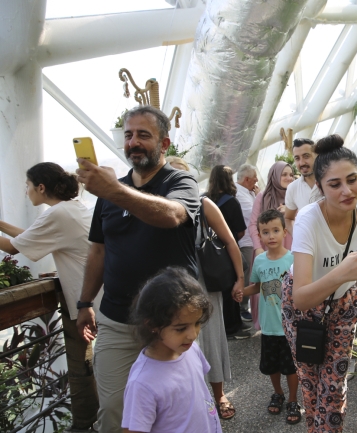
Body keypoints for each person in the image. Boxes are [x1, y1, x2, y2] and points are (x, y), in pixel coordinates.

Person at [75, 105, 201, 433]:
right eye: (129, 135)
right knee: (116, 412)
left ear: (164, 143)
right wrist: (85, 302)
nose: (134, 142)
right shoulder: (108, 193)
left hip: (171, 322)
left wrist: (114, 192)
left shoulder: (181, 181)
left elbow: (172, 215)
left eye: (144, 135)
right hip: (117, 321)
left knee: (176, 406)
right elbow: (99, 250)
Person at [282, 134, 357, 432]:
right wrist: (344, 272)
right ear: (321, 188)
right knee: (312, 385)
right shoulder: (308, 220)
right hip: (303, 311)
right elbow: (301, 297)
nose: (347, 191)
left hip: (343, 305)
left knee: (334, 387)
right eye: (334, 184)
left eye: (352, 179)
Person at [0, 162, 100, 433]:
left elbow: (12, 247)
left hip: (88, 302)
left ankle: (87, 424)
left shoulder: (56, 215)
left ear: (40, 187)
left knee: (85, 368)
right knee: (93, 366)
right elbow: (27, 239)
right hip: (101, 298)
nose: (26, 191)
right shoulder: (71, 208)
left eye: (28, 186)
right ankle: (93, 422)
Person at [173, 162, 244, 421]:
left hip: (203, 280)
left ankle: (219, 394)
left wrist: (239, 279)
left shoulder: (203, 204)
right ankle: (190, 399)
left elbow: (230, 242)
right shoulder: (155, 207)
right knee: (178, 342)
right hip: (172, 283)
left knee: (211, 336)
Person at [122, 267, 222, 433]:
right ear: (152, 325)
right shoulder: (142, 383)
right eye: (181, 328)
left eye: (197, 323)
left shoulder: (191, 350)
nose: (193, 335)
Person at [234, 209, 300, 425]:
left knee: (290, 366)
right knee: (272, 365)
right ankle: (278, 393)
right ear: (259, 235)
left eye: (275, 230)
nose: (271, 236)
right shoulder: (260, 260)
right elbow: (258, 286)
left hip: (290, 326)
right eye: (265, 232)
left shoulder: (294, 259)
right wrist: (243, 291)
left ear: (284, 231)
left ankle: (292, 399)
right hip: (269, 326)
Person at [205, 165, 250, 340]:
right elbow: (240, 231)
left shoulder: (205, 199)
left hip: (209, 253)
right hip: (228, 253)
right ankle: (232, 327)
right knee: (232, 286)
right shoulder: (231, 201)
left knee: (216, 290)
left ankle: (219, 326)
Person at [248, 161, 294, 330]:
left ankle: (287, 323)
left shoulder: (294, 195)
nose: (289, 178)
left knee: (287, 285)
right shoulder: (263, 196)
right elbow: (253, 224)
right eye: (284, 174)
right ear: (274, 175)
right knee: (267, 287)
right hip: (265, 249)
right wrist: (258, 247)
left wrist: (289, 213)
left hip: (289, 246)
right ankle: (265, 324)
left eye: (291, 174)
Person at [235, 164, 259, 322]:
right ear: (247, 179)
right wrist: (259, 198)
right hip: (246, 242)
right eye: (255, 177)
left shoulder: (247, 192)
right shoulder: (240, 194)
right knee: (247, 275)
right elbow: (254, 215)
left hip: (250, 241)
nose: (257, 180)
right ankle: (242, 308)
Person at [284, 138, 320, 236]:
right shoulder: (293, 188)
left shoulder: (331, 182)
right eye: (297, 158)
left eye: (306, 156)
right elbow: (288, 218)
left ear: (317, 156)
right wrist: (298, 237)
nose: (301, 163)